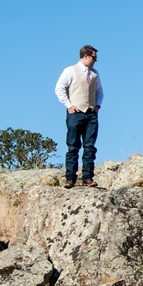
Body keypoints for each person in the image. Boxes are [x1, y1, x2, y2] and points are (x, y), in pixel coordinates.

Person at [54, 45, 103, 189]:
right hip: (75, 114)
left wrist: (97, 106)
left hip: (91, 114)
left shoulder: (95, 74)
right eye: (94, 57)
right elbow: (59, 88)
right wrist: (69, 105)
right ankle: (70, 178)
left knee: (90, 147)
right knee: (73, 146)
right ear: (86, 56)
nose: (96, 60)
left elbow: (100, 92)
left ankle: (88, 177)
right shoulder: (70, 70)